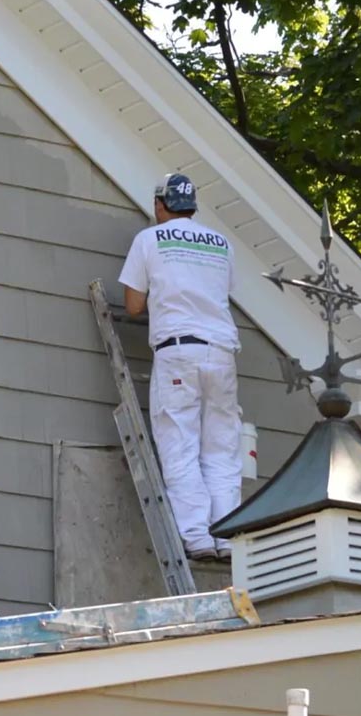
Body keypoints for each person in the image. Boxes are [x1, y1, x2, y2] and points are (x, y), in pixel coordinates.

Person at [117, 173, 241, 562]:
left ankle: (198, 538)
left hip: (178, 351)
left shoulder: (149, 239)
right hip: (221, 354)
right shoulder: (221, 244)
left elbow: (134, 305)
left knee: (179, 445)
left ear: (159, 204)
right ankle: (227, 536)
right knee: (222, 449)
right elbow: (221, 293)